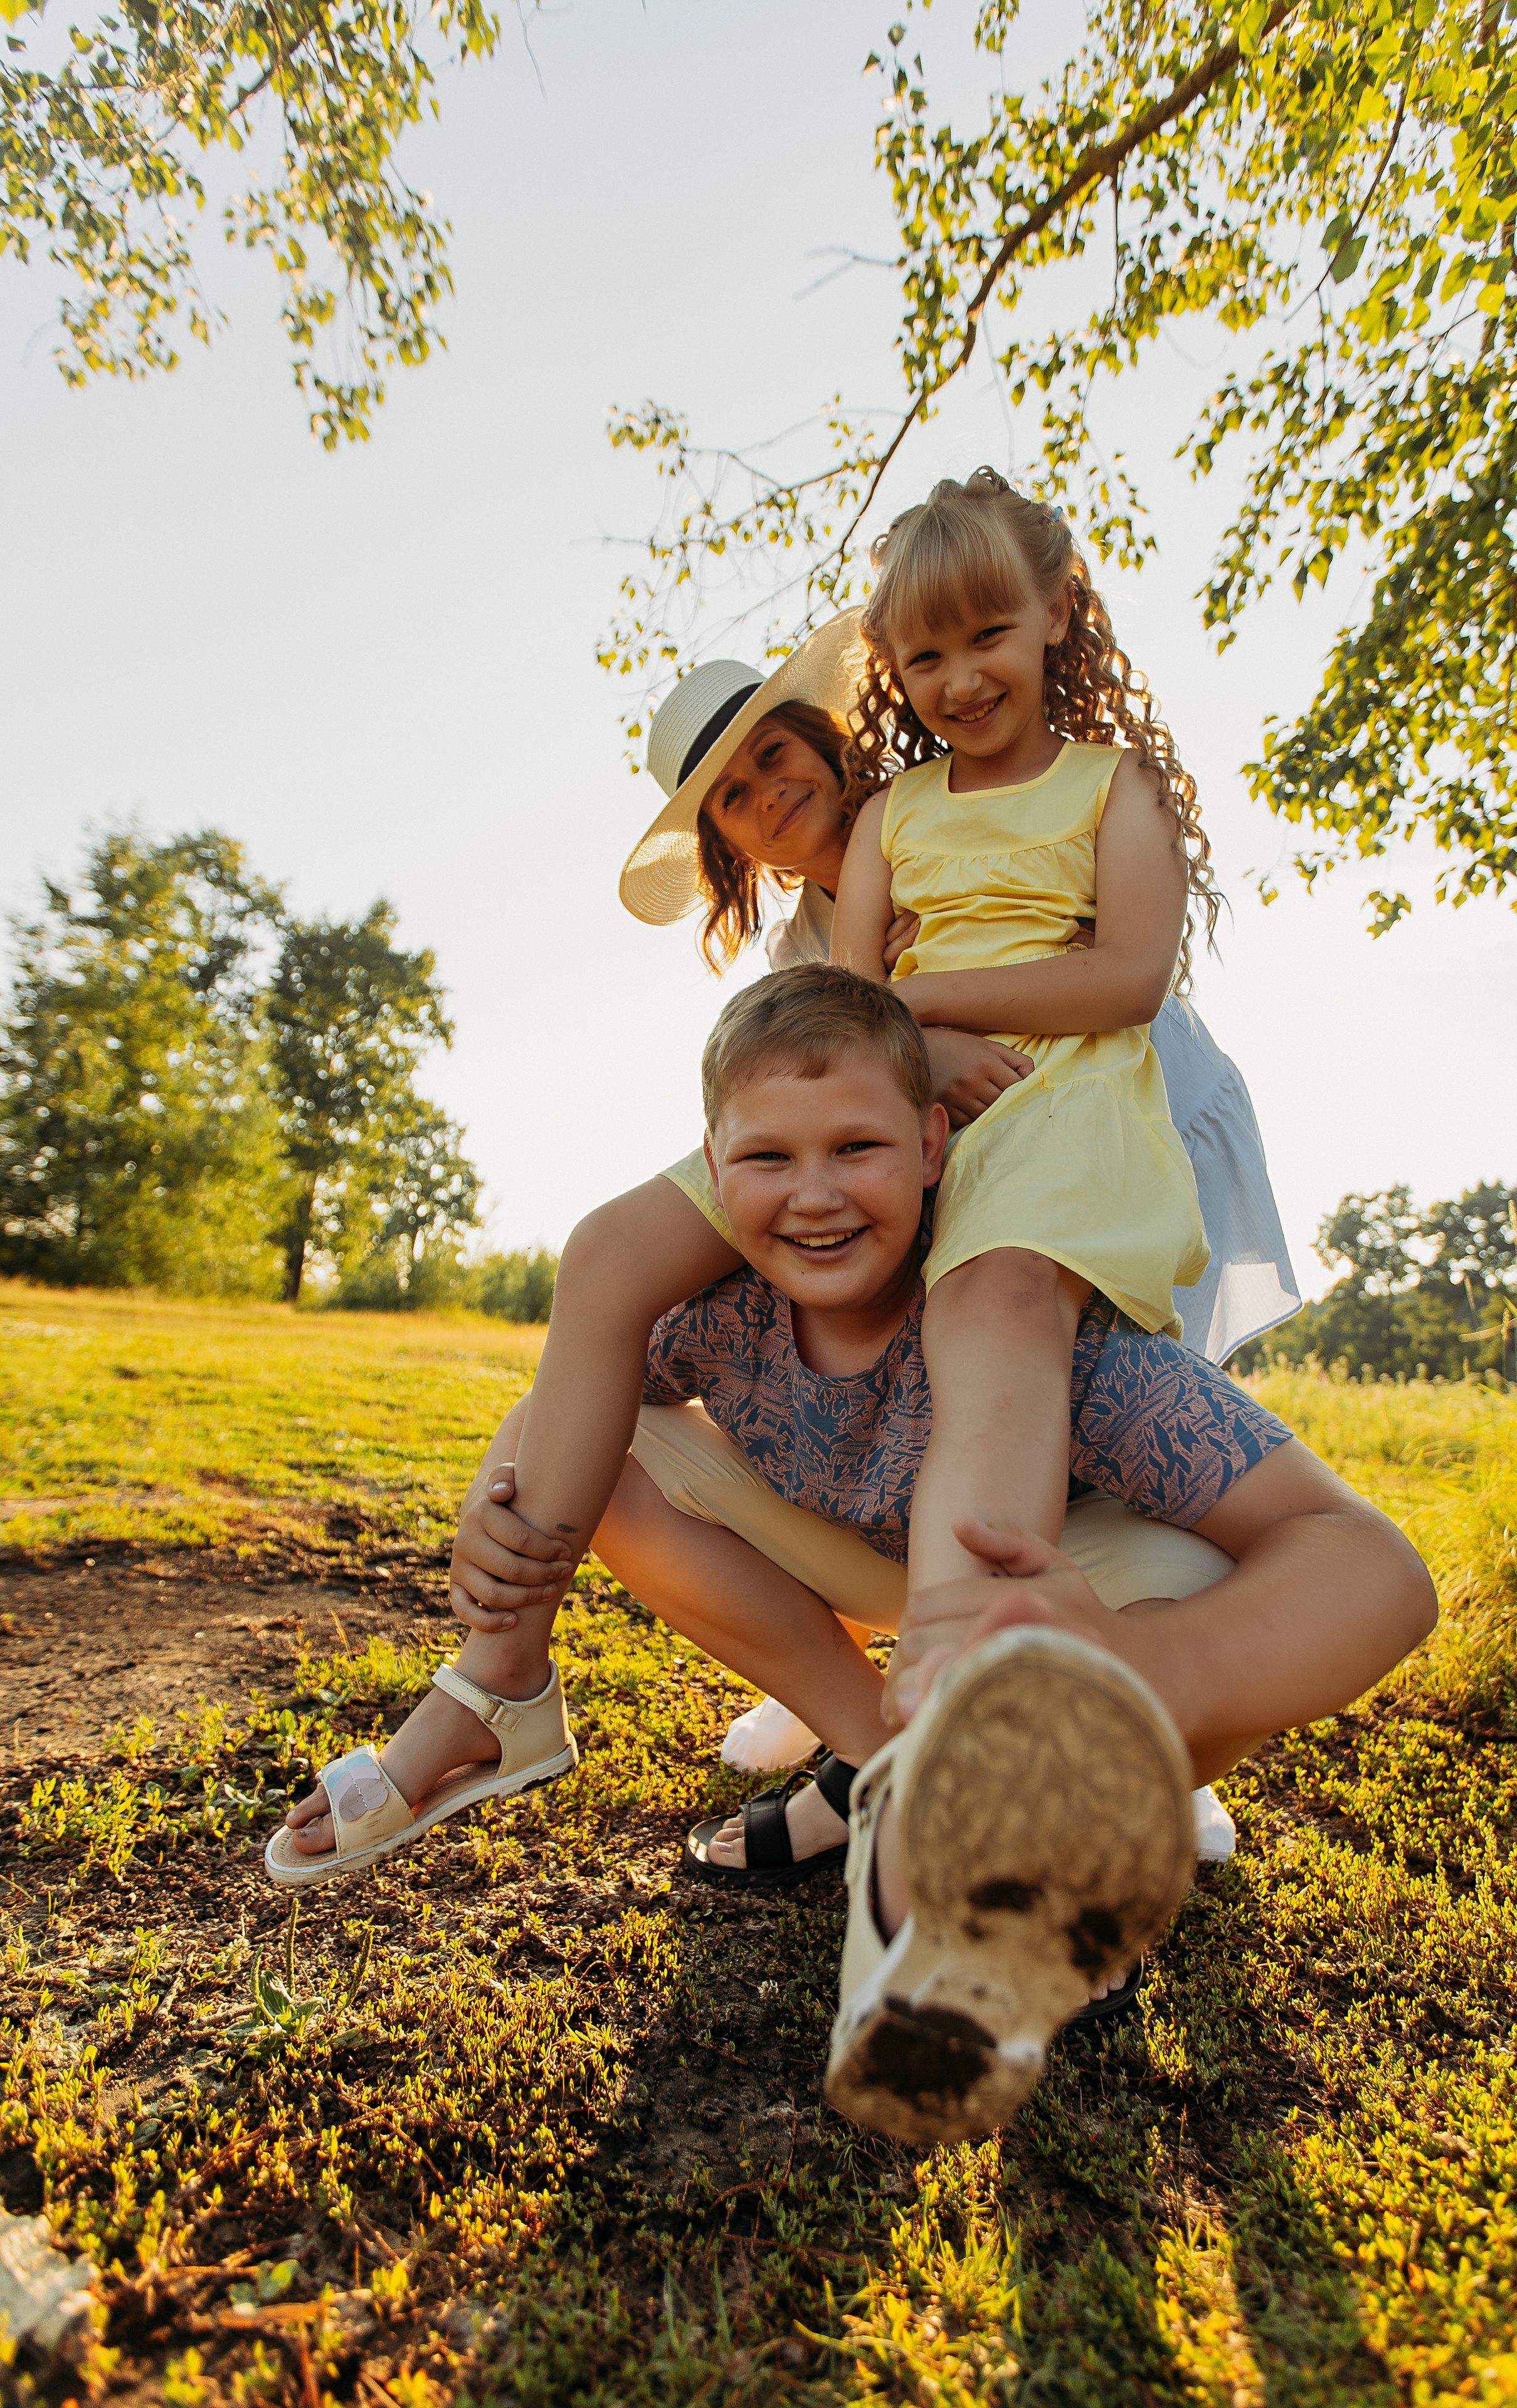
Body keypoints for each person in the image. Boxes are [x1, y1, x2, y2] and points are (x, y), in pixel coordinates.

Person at [262, 603, 1295, 1884]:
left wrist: (922, 1021)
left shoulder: (944, 806)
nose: (767, 790)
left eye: (772, 751)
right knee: (622, 1255)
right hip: (907, 1172)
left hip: (1089, 1110)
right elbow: (795, 1140)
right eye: (735, 796)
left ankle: (1088, 1719)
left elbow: (1092, 956)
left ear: (825, 732)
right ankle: (617, 1694)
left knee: (1096, 1362)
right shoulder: (802, 950)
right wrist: (508, 1470)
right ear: (725, 842)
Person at [589, 966, 1434, 2138]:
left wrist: (1129, 1672)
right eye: (771, 1158)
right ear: (713, 1165)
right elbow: (574, 1404)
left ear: (935, 1144)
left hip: (1064, 1596)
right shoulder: (719, 1309)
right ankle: (883, 1760)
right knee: (579, 1441)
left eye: (859, 1149)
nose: (816, 1196)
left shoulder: (1044, 1323)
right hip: (873, 1573)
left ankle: (1063, 1838)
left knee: (1234, 1593)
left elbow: (1375, 1568)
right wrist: (503, 1550)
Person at [830, 467, 1217, 1598]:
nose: (959, 679)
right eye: (924, 658)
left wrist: (931, 1001)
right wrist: (920, 1050)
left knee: (991, 1306)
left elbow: (1127, 978)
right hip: (903, 1095)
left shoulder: (1118, 788)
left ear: (1057, 613)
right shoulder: (892, 815)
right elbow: (850, 1004)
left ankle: (969, 1634)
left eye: (988, 635)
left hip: (1064, 1101)